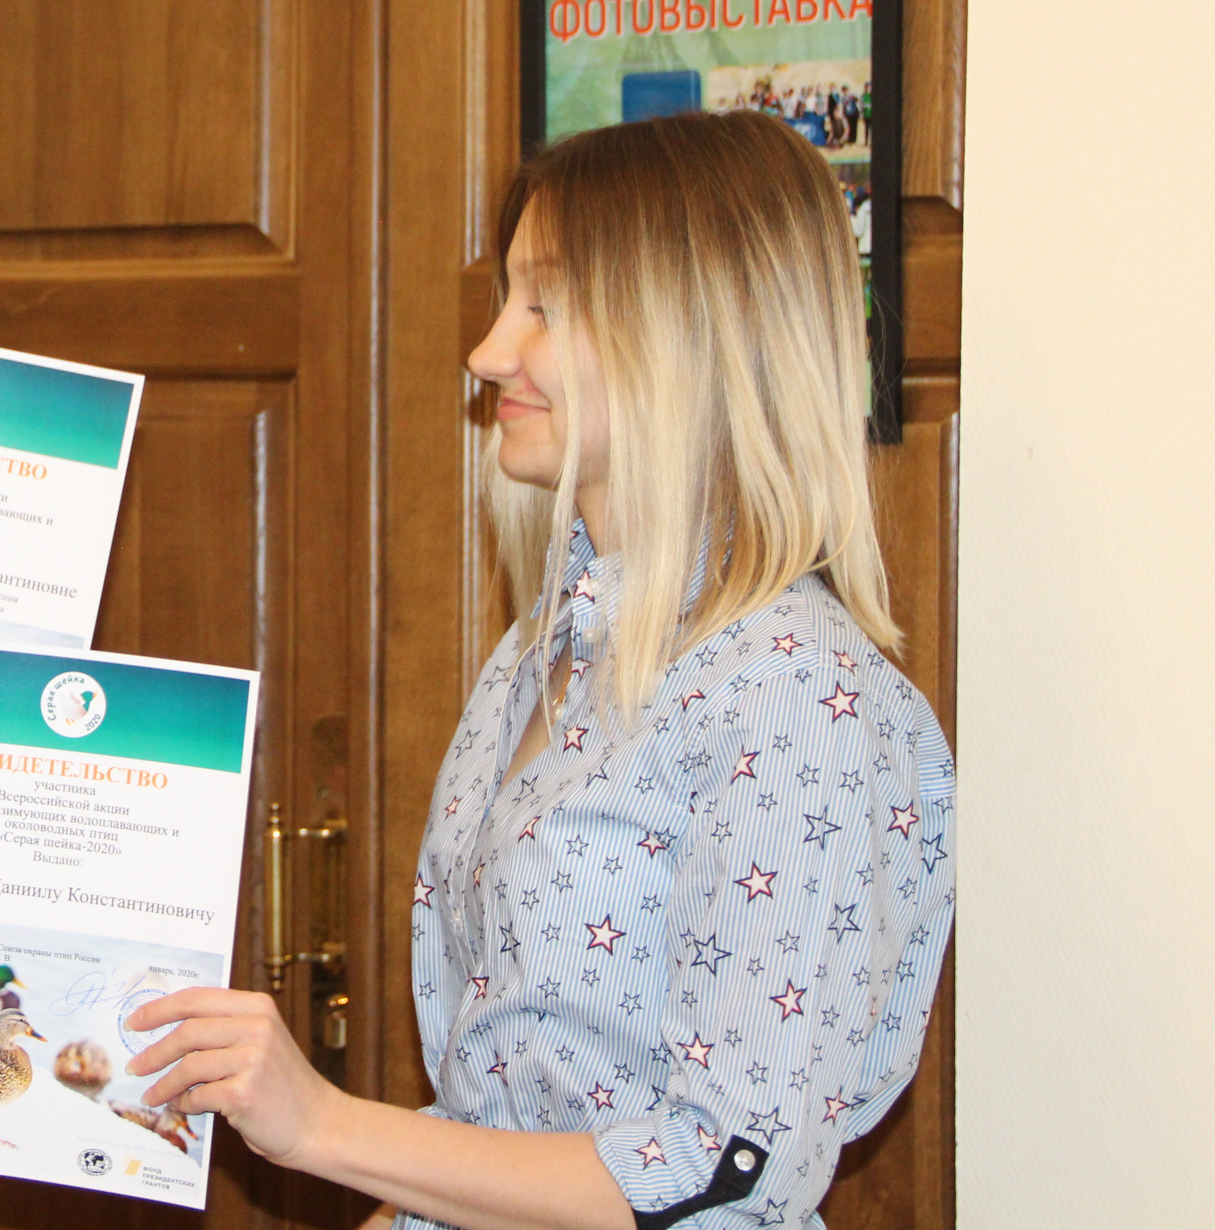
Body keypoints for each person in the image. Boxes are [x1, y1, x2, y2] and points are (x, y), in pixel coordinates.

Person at [126, 112, 955, 1230]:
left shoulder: (797, 692)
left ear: (693, 334)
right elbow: (499, 1113)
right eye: (506, 300)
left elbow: (724, 1170)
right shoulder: (540, 652)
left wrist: (319, 1124)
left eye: (546, 307)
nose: (486, 354)